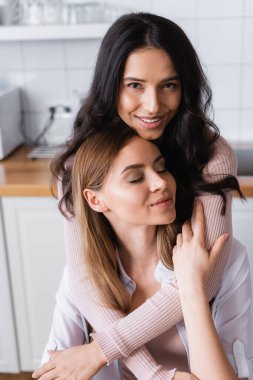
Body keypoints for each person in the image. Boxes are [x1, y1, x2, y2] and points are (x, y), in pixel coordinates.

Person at [36, 11, 245, 379]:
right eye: (135, 85)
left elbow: (206, 278)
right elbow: (85, 280)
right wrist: (152, 373)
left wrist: (101, 349)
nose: (152, 106)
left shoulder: (210, 153)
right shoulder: (80, 163)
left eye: (169, 85)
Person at [32, 127, 253, 380]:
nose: (161, 183)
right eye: (136, 178)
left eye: (161, 168)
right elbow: (56, 369)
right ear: (95, 200)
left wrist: (192, 289)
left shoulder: (226, 258)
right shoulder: (83, 277)